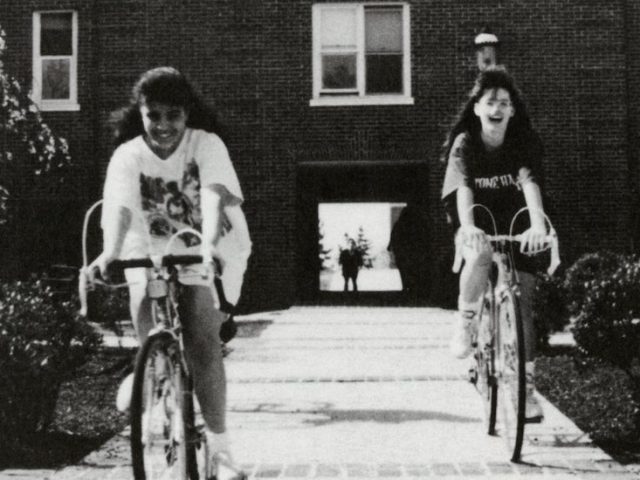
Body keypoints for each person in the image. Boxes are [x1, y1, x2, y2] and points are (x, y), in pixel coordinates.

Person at [91, 66, 251, 478]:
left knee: (200, 335)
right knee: (144, 294)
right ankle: (152, 367)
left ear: (187, 114)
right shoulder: (128, 154)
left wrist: (209, 245)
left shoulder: (206, 144)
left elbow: (214, 196)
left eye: (173, 115)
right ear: (140, 113)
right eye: (153, 115)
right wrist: (108, 253)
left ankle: (220, 448)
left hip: (207, 239)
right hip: (148, 239)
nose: (163, 125)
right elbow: (121, 208)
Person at [441, 65, 549, 422]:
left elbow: (530, 182)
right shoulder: (466, 142)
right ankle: (468, 320)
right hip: (476, 212)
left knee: (523, 298)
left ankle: (527, 391)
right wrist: (468, 228)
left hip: (517, 217)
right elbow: (464, 186)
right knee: (481, 252)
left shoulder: (523, 141)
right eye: (490, 102)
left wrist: (536, 225)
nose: (497, 108)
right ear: (477, 108)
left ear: (512, 110)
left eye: (504, 102)